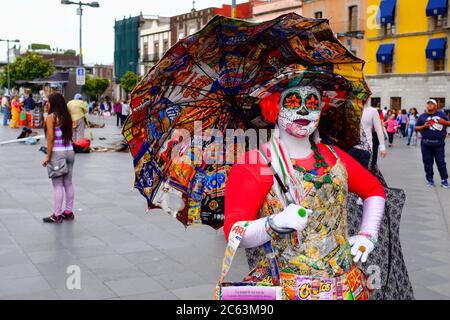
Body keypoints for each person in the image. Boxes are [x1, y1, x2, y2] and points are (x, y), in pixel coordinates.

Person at [223, 70, 386, 300]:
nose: (303, 110)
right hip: (286, 290)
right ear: (274, 107)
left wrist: (367, 234)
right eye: (292, 101)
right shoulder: (255, 163)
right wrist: (274, 223)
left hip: (345, 287)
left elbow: (374, 190)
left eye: (312, 103)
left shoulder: (333, 155)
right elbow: (233, 234)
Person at [42, 93, 76, 223]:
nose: (47, 104)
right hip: (70, 152)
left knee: (57, 185)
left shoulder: (52, 117)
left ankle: (56, 215)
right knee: (68, 183)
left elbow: (51, 138)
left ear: (53, 103)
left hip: (58, 153)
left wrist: (48, 156)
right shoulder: (67, 117)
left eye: (48, 102)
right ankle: (68, 212)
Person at [415, 99, 449, 188]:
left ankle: (444, 180)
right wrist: (424, 126)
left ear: (436, 106)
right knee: (427, 162)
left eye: (432, 104)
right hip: (426, 144)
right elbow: (416, 127)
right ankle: (430, 180)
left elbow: (448, 123)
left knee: (441, 162)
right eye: (428, 103)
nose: (429, 105)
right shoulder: (422, 116)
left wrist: (444, 122)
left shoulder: (441, 114)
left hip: (439, 143)